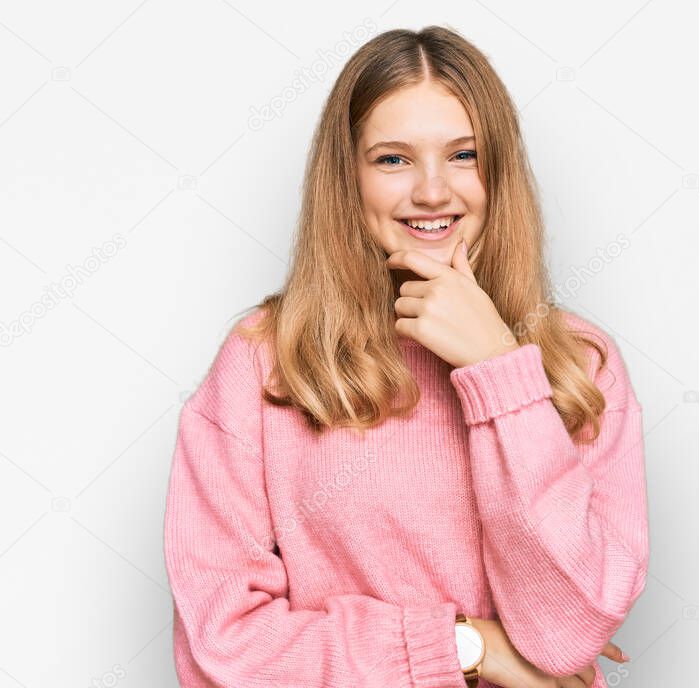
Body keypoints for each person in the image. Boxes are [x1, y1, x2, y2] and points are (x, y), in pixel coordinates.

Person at [163, 25, 649, 688]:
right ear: (349, 178)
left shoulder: (579, 365)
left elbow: (564, 635)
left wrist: (497, 369)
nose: (431, 192)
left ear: (498, 172)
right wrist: (466, 648)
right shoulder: (263, 363)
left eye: (463, 155)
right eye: (392, 159)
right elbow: (221, 644)